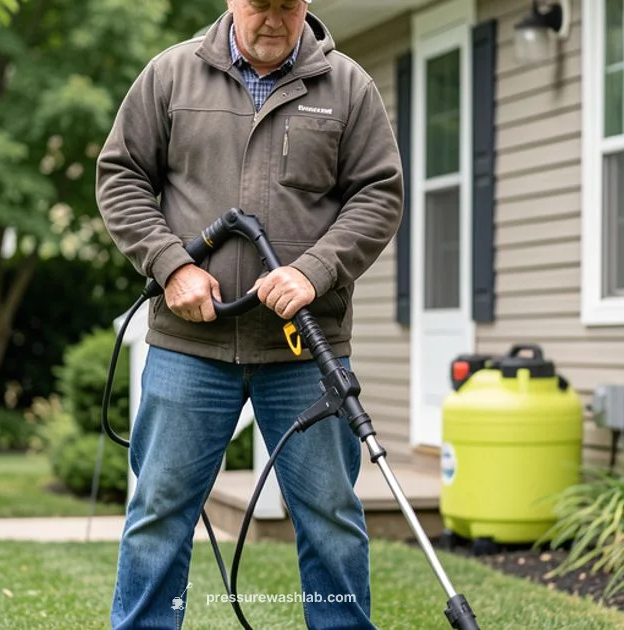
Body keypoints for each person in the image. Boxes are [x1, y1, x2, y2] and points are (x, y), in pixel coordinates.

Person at [95, 0, 402, 627]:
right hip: (190, 347)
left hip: (304, 349)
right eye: (260, 5)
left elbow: (378, 196)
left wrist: (313, 271)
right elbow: (120, 176)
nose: (273, 20)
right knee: (159, 512)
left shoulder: (348, 87)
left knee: (331, 520)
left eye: (287, 7)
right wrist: (170, 264)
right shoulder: (171, 75)